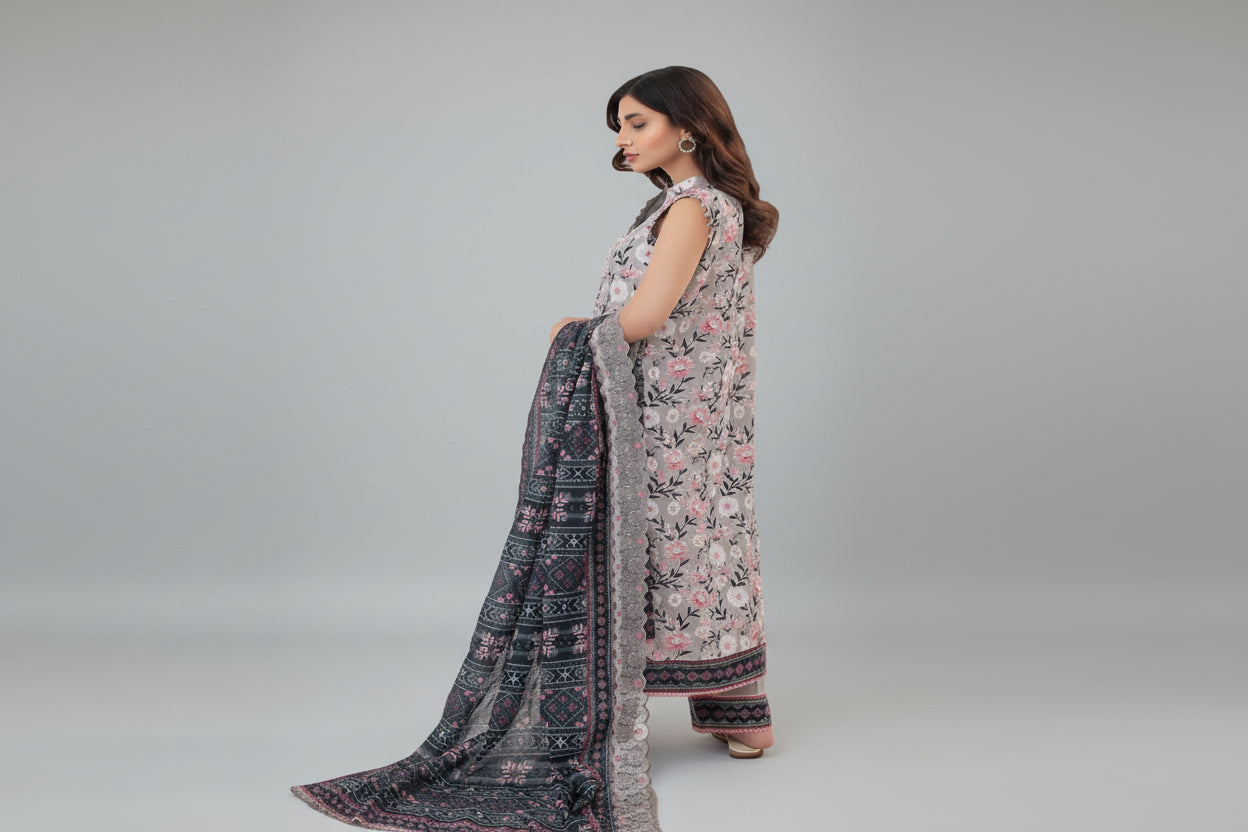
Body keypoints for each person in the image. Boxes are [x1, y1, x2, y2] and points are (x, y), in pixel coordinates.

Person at [551, 66, 780, 758]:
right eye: (619, 125)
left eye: (638, 121)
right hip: (688, 418)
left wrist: (573, 329)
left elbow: (649, 315)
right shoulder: (700, 205)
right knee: (709, 551)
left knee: (663, 553)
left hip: (664, 421)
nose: (624, 137)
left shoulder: (693, 207)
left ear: (687, 127)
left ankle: (612, 717)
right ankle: (739, 716)